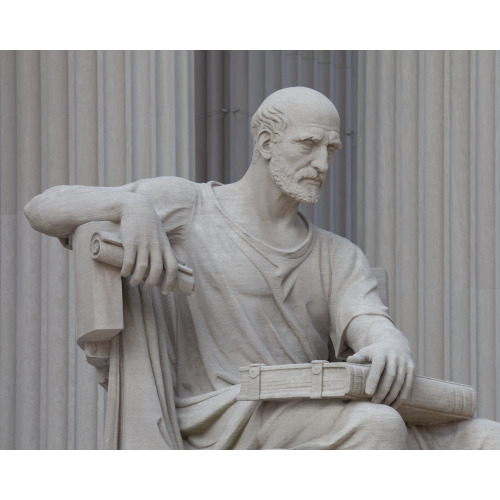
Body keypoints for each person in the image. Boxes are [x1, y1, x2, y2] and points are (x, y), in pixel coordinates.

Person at [24, 86, 500, 449]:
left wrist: (390, 344)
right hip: (223, 414)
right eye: (308, 144)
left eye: (331, 149)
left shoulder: (338, 254)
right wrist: (129, 207)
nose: (321, 163)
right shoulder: (188, 206)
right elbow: (43, 208)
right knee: (375, 425)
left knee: (484, 440)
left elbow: (368, 318)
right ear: (267, 142)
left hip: (308, 408)